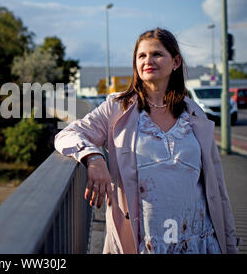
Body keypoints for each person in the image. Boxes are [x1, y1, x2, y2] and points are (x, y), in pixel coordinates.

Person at [54, 28, 239, 254]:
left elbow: (217, 187)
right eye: (141, 56)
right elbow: (67, 134)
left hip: (198, 240)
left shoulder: (194, 114)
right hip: (146, 244)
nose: (148, 61)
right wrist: (94, 157)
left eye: (157, 54)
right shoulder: (118, 108)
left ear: (176, 62)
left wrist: (230, 245)